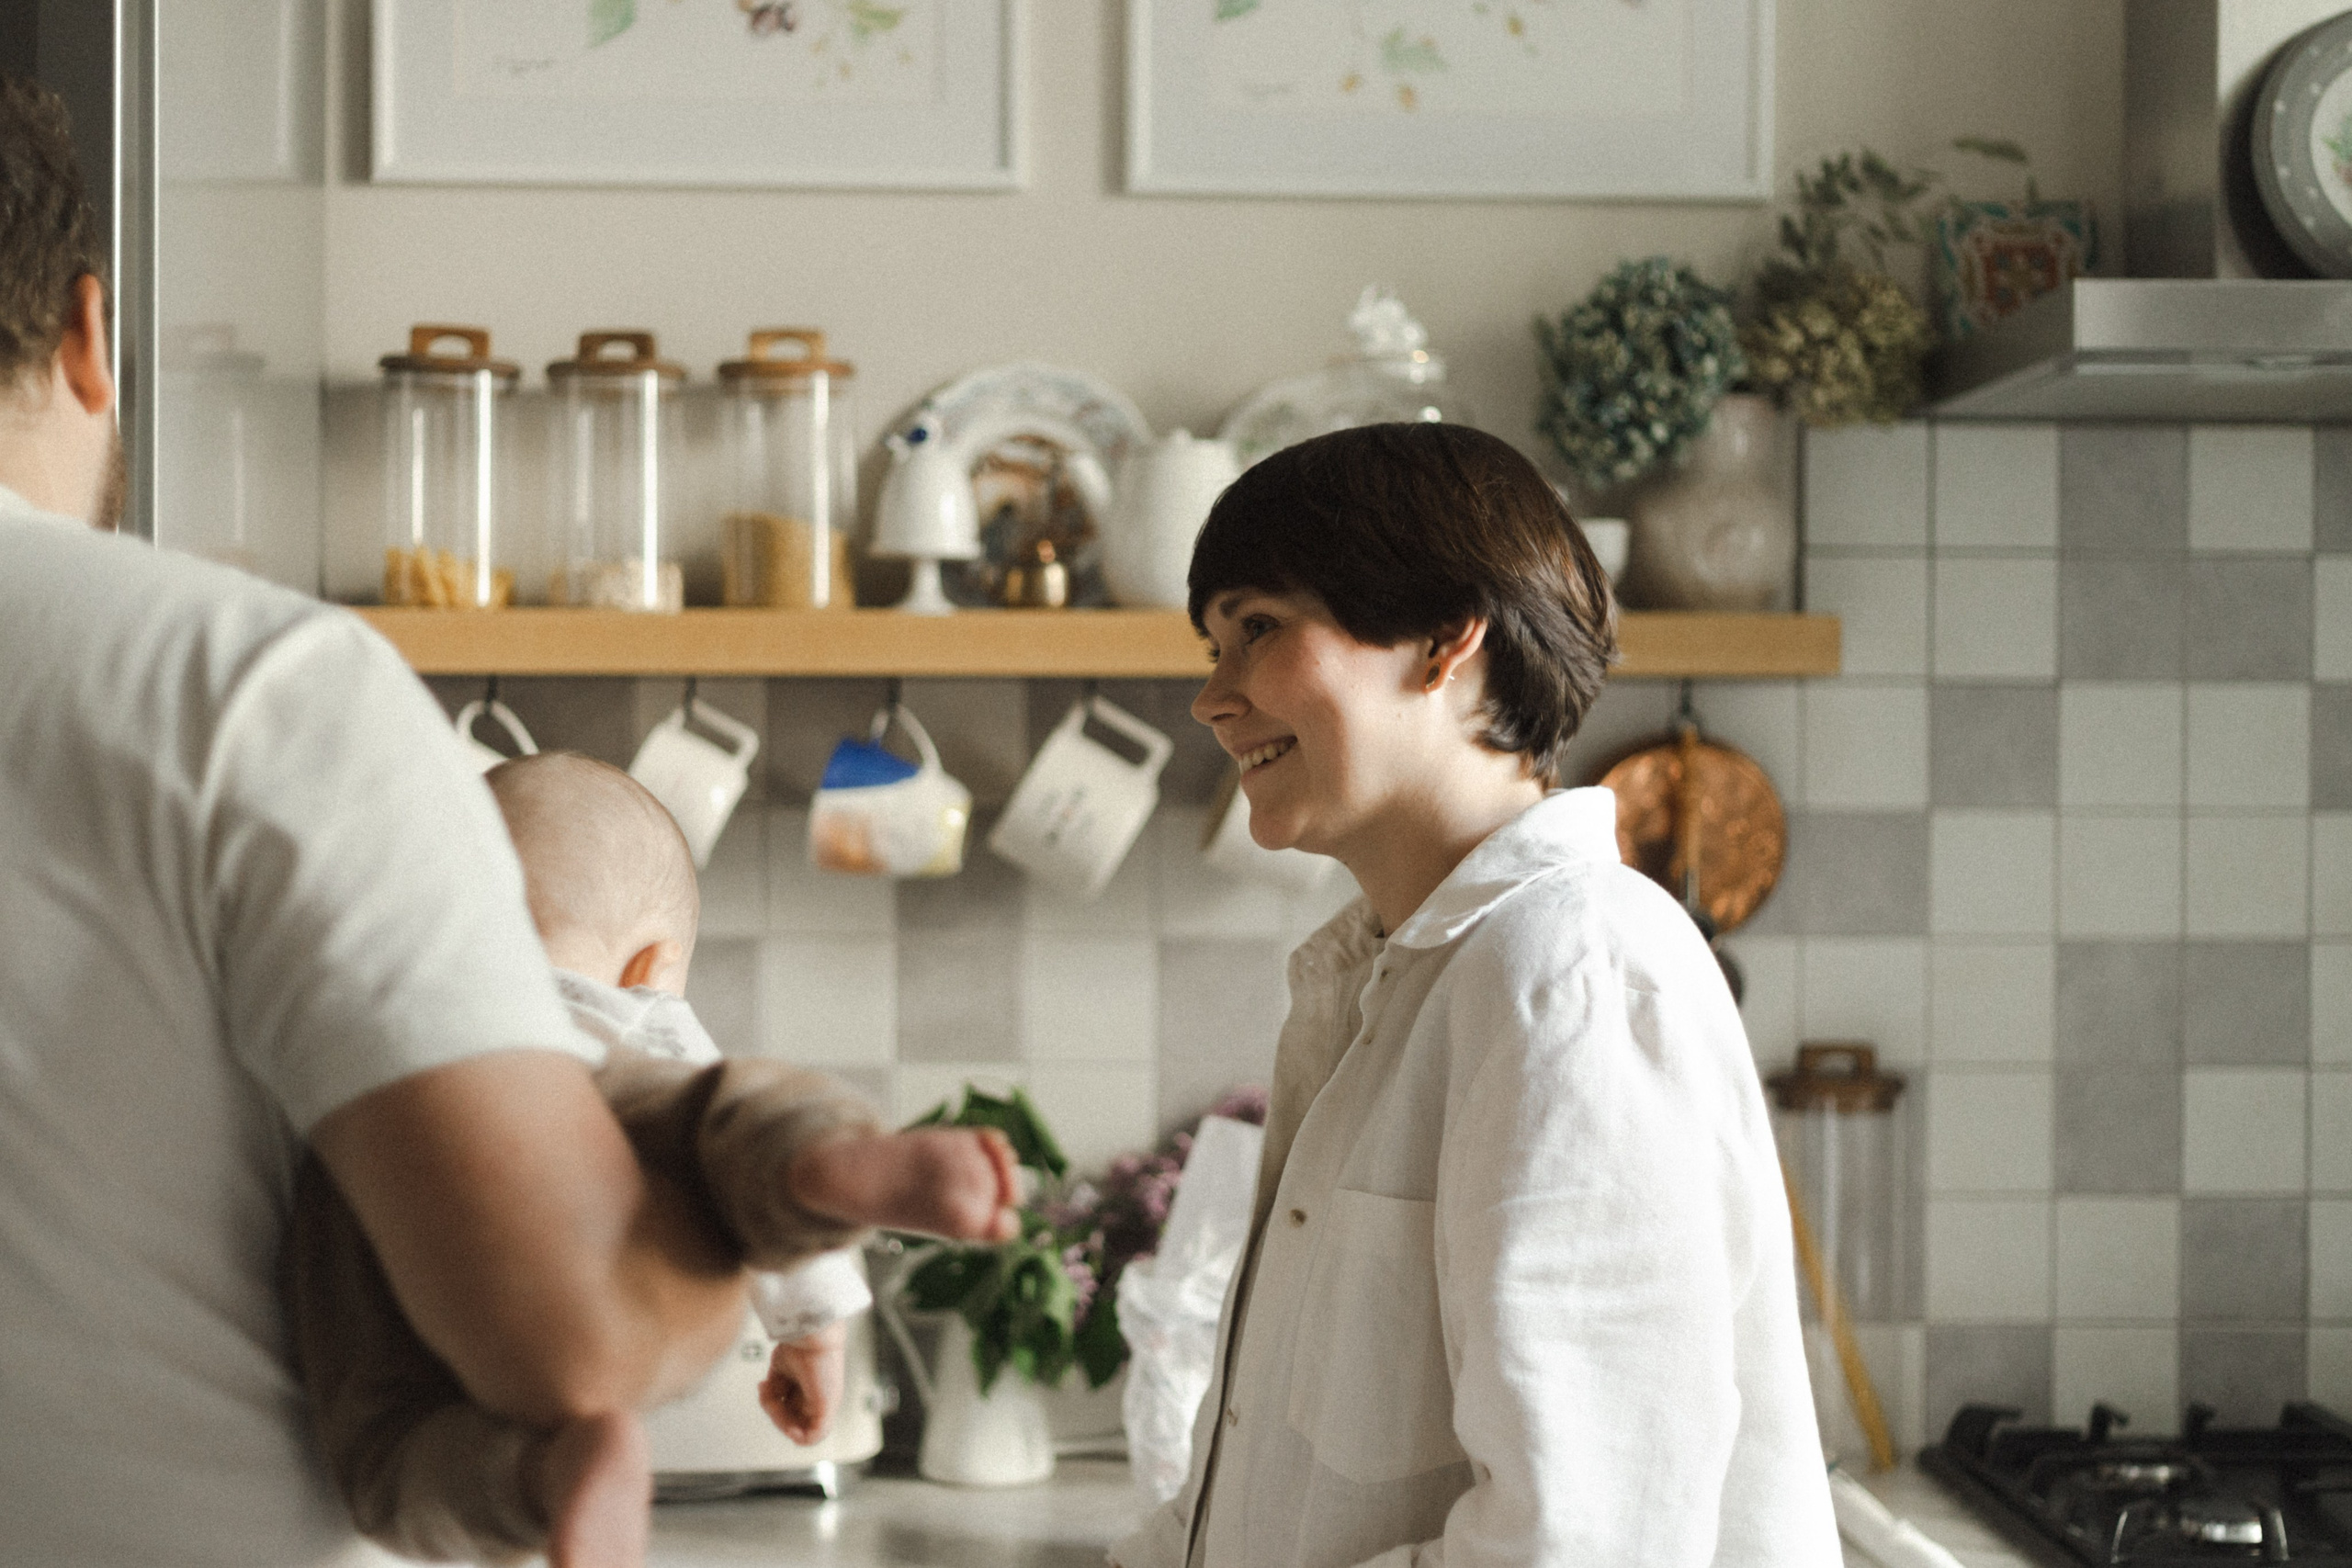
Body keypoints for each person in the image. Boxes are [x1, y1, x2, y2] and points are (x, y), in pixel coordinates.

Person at [0, 75, 966, 1567]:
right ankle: (792, 1159)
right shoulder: (249, 685)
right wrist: (734, 1249)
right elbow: (570, 1337)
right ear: (87, 335)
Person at [1111, 423, 1839, 1568]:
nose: (1213, 698)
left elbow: (1590, 1544)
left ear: (1447, 635)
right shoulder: (1394, 980)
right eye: (1214, 645)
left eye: (1256, 630)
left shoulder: (1569, 970)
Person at [284, 750, 1022, 1565]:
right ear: (650, 966)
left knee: (391, 1459)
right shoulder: (633, 1017)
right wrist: (814, 1333)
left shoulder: (394, 994)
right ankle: (824, 1157)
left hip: (398, 1235)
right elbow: (716, 1107)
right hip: (587, 1164)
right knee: (720, 1120)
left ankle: (542, 1477)